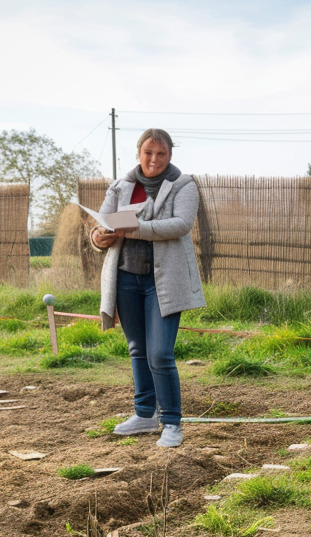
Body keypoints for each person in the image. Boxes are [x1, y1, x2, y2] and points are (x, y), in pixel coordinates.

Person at [91, 129, 205, 449]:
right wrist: (98, 238)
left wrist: (134, 229)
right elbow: (103, 225)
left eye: (161, 154)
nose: (154, 160)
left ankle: (171, 422)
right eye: (148, 153)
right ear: (138, 153)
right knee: (137, 349)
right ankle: (144, 414)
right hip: (126, 278)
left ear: (170, 155)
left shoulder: (183, 185)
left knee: (160, 353)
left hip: (164, 281)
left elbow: (180, 225)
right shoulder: (121, 186)